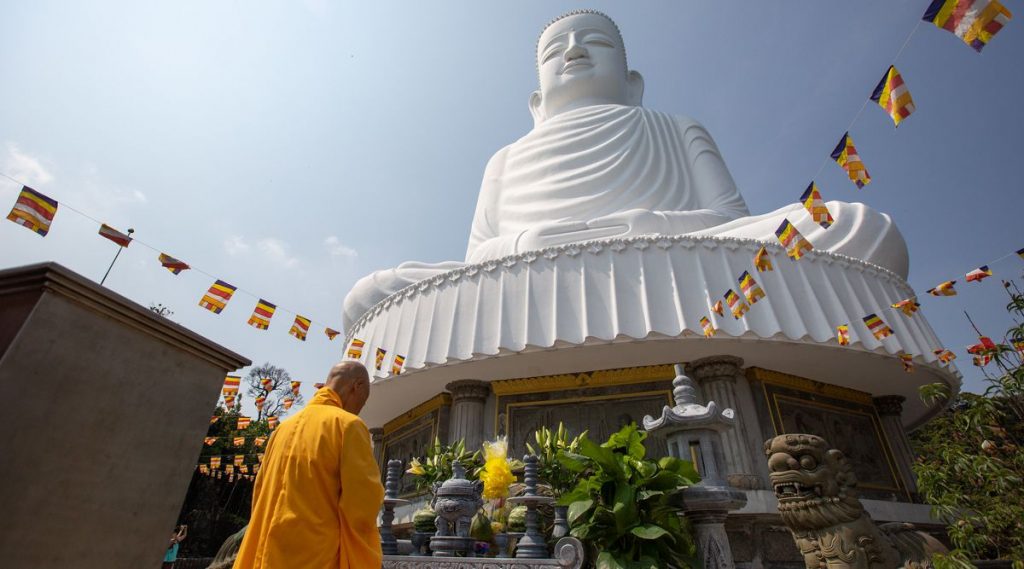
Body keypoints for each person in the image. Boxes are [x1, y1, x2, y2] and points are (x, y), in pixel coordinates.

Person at [342, 9, 908, 330]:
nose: (573, 53)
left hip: (670, 264)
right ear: (536, 100)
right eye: (555, 52)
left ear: (633, 83)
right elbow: (477, 259)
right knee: (370, 295)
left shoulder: (676, 126)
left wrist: (645, 227)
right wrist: (532, 242)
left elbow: (728, 222)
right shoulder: (505, 158)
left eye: (594, 43)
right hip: (530, 278)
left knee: (855, 226)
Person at [232, 361, 384, 568]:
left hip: (268, 551)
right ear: (356, 386)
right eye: (362, 402)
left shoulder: (282, 429)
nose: (359, 409)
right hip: (315, 553)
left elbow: (259, 491)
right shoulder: (348, 425)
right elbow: (362, 501)